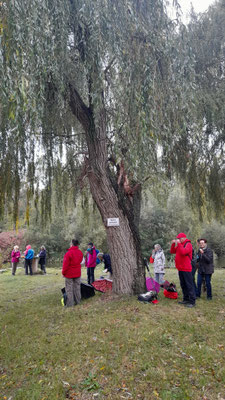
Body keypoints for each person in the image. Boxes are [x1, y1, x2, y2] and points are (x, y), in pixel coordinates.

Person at [170, 232, 196, 308]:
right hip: (180, 268)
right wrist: (173, 244)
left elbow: (183, 252)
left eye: (179, 238)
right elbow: (172, 251)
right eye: (178, 239)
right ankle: (186, 299)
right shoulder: (179, 245)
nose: (178, 240)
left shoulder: (188, 244)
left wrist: (179, 244)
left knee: (189, 285)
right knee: (183, 284)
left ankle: (192, 301)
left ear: (184, 238)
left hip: (187, 268)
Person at [62, 239, 83, 307]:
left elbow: (65, 265)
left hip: (69, 274)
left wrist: (63, 273)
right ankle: (78, 301)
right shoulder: (80, 252)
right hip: (77, 273)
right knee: (77, 287)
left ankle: (70, 304)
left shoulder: (68, 253)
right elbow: (80, 261)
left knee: (69, 289)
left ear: (72, 244)